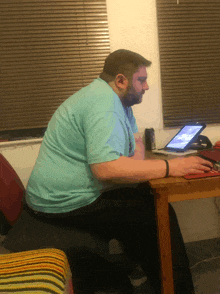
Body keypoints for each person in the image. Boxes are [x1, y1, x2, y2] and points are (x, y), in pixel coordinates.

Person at [3, 49, 213, 294]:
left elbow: (135, 146)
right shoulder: (103, 104)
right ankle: (176, 288)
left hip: (67, 195)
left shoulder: (119, 102)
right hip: (61, 204)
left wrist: (145, 166)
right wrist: (171, 166)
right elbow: (105, 169)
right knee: (155, 211)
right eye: (141, 80)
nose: (146, 86)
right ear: (121, 80)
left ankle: (147, 274)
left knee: (144, 197)